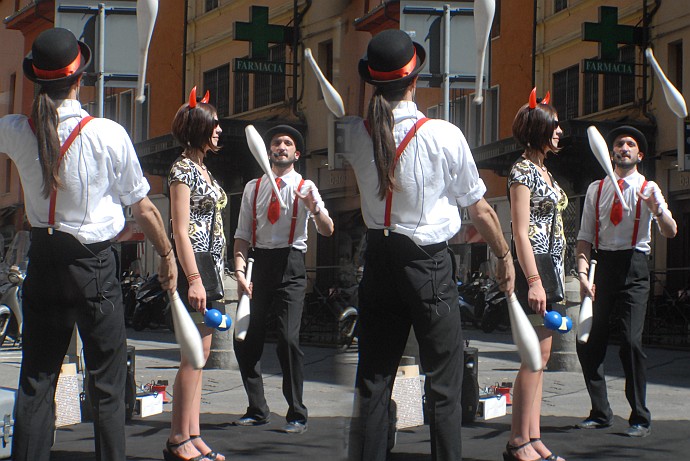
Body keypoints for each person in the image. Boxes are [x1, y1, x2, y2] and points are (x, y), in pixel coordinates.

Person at [1, 28, 177, 461]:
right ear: (80, 78)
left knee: (36, 381)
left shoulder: (14, 130)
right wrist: (169, 256)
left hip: (43, 263)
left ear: (37, 81)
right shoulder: (108, 133)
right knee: (106, 386)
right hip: (94, 268)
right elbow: (145, 211)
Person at [342, 29, 515, 461]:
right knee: (443, 383)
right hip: (428, 266)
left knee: (374, 379)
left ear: (373, 81)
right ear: (414, 80)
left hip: (378, 262)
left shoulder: (356, 136)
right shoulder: (443, 134)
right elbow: (481, 211)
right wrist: (504, 255)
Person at [575, 125, 677, 438]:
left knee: (631, 343)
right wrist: (581, 274)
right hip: (603, 266)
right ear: (611, 152)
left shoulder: (649, 187)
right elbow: (584, 239)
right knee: (589, 344)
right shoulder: (596, 189)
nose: (624, 148)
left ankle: (640, 417)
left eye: (630, 144)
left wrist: (657, 210)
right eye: (619, 144)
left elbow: (671, 230)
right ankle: (601, 412)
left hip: (635, 267)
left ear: (639, 154)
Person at [233, 124, 334, 434]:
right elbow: (241, 237)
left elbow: (328, 229)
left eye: (287, 143)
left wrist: (314, 208)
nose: (281, 146)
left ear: (296, 153)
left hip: (291, 264)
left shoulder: (306, 186)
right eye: (276, 142)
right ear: (268, 151)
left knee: (288, 341)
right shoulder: (252, 188)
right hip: (259, 264)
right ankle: (257, 408)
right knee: (246, 341)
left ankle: (297, 413)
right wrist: (238, 272)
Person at [165, 87, 227, 461]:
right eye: (214, 124)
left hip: (212, 263)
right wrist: (194, 278)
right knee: (193, 356)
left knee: (201, 355)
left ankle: (193, 432)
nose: (219, 130)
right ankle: (177, 439)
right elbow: (180, 228)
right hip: (198, 262)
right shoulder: (182, 169)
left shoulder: (203, 168)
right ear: (199, 128)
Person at [506, 88, 566, 461]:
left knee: (542, 358)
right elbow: (520, 231)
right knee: (532, 358)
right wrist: (533, 280)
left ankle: (534, 435)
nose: (559, 132)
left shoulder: (544, 169)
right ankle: (517, 442)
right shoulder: (522, 170)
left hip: (553, 266)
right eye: (554, 126)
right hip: (537, 264)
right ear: (538, 129)